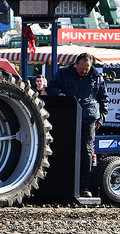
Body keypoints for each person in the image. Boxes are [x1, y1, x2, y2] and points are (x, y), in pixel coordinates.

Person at [47, 53, 109, 198]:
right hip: (67, 117)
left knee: (86, 152)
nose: (84, 71)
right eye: (81, 68)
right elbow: (51, 87)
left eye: (87, 68)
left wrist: (101, 119)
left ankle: (84, 187)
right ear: (76, 64)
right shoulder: (63, 73)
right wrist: (59, 95)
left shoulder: (97, 77)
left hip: (88, 119)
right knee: (64, 150)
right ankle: (63, 185)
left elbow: (104, 100)